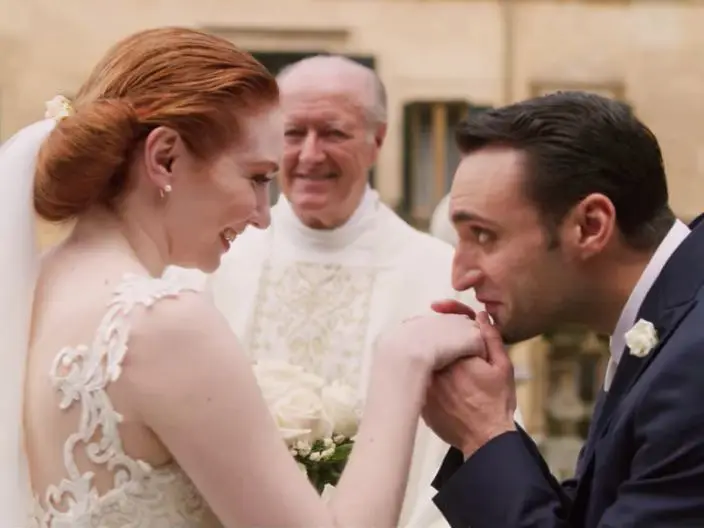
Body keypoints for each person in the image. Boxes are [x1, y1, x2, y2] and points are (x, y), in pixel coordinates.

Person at [1, 27, 487, 527]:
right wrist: (401, 365)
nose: (262, 215)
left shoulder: (32, 287)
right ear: (165, 158)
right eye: (256, 178)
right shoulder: (164, 323)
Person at [207, 54, 506, 527]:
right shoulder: (214, 263)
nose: (310, 155)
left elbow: (469, 440)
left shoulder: (439, 275)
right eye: (292, 133)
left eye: (333, 133)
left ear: (377, 141)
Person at [423, 91, 704, 527]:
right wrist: (485, 427)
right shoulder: (672, 319)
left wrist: (484, 434)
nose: (460, 277)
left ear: (590, 226)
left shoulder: (693, 366)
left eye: (483, 235)